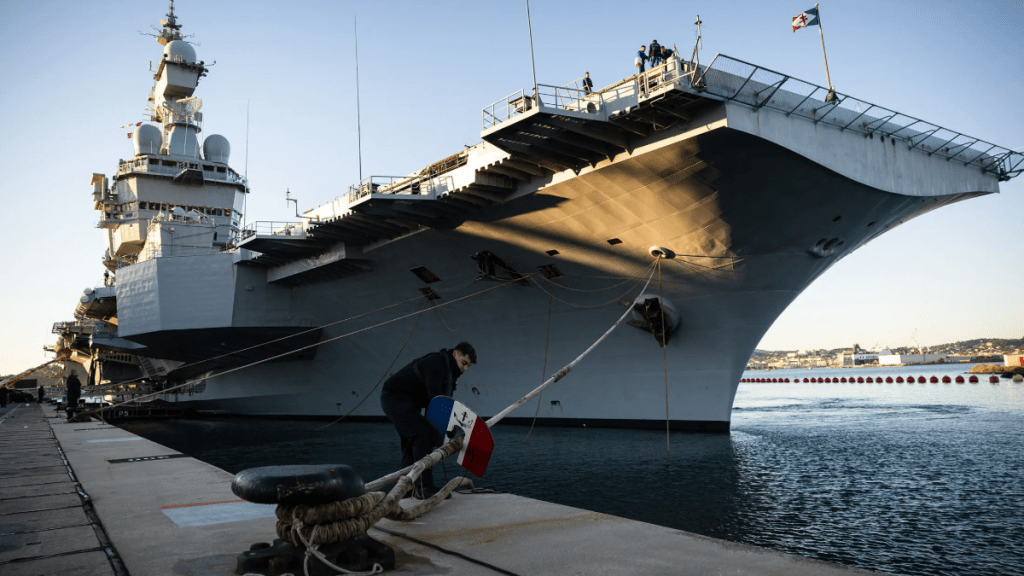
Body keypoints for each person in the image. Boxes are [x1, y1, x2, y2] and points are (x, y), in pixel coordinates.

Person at [380, 342, 477, 499]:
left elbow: (446, 402)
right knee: (422, 434)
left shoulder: (451, 372)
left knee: (411, 441)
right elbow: (436, 400)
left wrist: (451, 427)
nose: (465, 368)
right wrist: (446, 431)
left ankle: (407, 489)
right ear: (456, 355)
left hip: (409, 402)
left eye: (468, 366)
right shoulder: (436, 364)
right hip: (394, 398)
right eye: (463, 363)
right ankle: (424, 487)